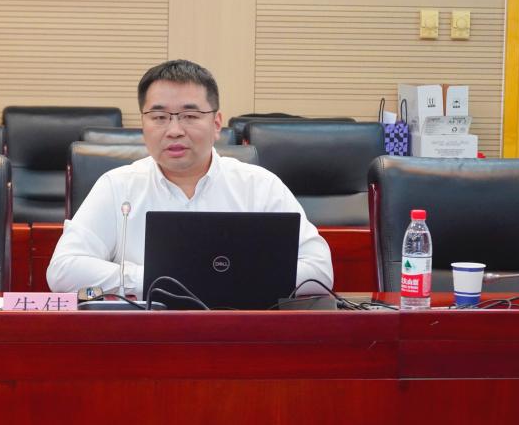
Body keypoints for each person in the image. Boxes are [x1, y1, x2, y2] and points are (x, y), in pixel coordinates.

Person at [46, 59, 333, 297]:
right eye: (159, 117)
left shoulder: (259, 186)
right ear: (143, 125)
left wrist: (237, 276)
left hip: (240, 333)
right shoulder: (117, 186)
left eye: (190, 116)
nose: (174, 130)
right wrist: (156, 278)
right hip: (146, 336)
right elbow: (63, 271)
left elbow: (320, 269)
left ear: (216, 124)